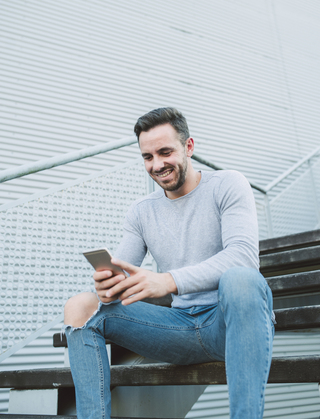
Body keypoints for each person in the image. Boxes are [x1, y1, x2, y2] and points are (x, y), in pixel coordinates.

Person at [64, 107, 275, 419]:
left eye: (165, 152)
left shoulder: (228, 184)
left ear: (188, 147)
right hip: (178, 329)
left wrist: (167, 280)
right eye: (148, 157)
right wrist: (108, 287)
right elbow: (125, 273)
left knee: (241, 280)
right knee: (80, 305)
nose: (157, 164)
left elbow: (242, 257)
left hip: (229, 323)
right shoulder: (140, 211)